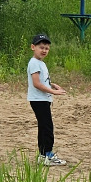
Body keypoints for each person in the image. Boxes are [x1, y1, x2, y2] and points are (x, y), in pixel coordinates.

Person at [27, 34, 68, 166]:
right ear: (33, 47)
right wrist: (54, 92)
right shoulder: (34, 63)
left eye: (47, 48)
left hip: (42, 99)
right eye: (41, 47)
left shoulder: (40, 63)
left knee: (44, 127)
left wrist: (52, 85)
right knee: (47, 127)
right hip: (39, 100)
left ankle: (43, 154)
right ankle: (48, 155)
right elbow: (36, 84)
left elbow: (42, 81)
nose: (44, 50)